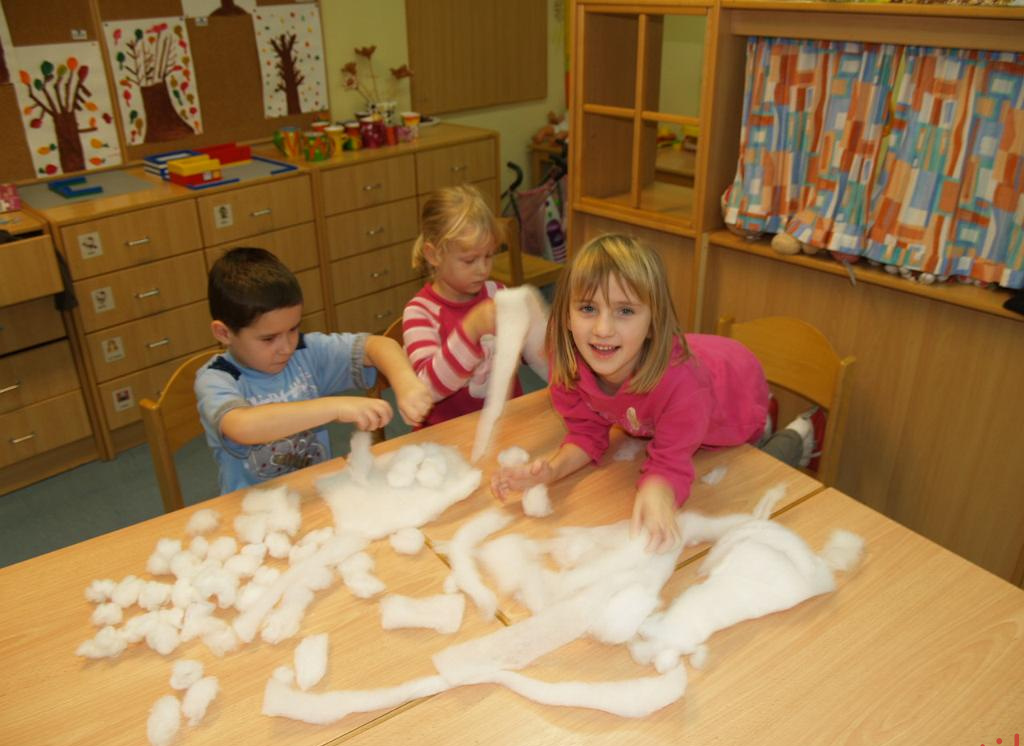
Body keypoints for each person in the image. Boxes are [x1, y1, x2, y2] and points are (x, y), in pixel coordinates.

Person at [491, 234, 816, 553]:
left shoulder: (683, 385)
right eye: (588, 308)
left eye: (625, 311)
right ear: (566, 316)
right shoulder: (569, 369)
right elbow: (586, 432)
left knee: (756, 466)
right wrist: (551, 471)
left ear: (653, 322)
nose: (603, 329)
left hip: (735, 396)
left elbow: (671, 462)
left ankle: (800, 431)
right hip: (693, 388)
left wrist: (659, 488)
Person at [195, 247, 432, 494]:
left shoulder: (305, 351)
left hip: (314, 495)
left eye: (293, 328)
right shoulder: (216, 378)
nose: (286, 347)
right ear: (224, 333)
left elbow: (377, 346)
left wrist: (406, 383)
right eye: (268, 339)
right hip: (252, 506)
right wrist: (335, 408)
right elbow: (243, 426)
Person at [402, 184, 522, 427]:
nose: (483, 269)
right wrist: (471, 330)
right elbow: (427, 389)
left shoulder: (498, 294)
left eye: (488, 256)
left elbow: (535, 353)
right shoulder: (419, 313)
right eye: (469, 260)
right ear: (433, 255)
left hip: (505, 424)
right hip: (447, 435)